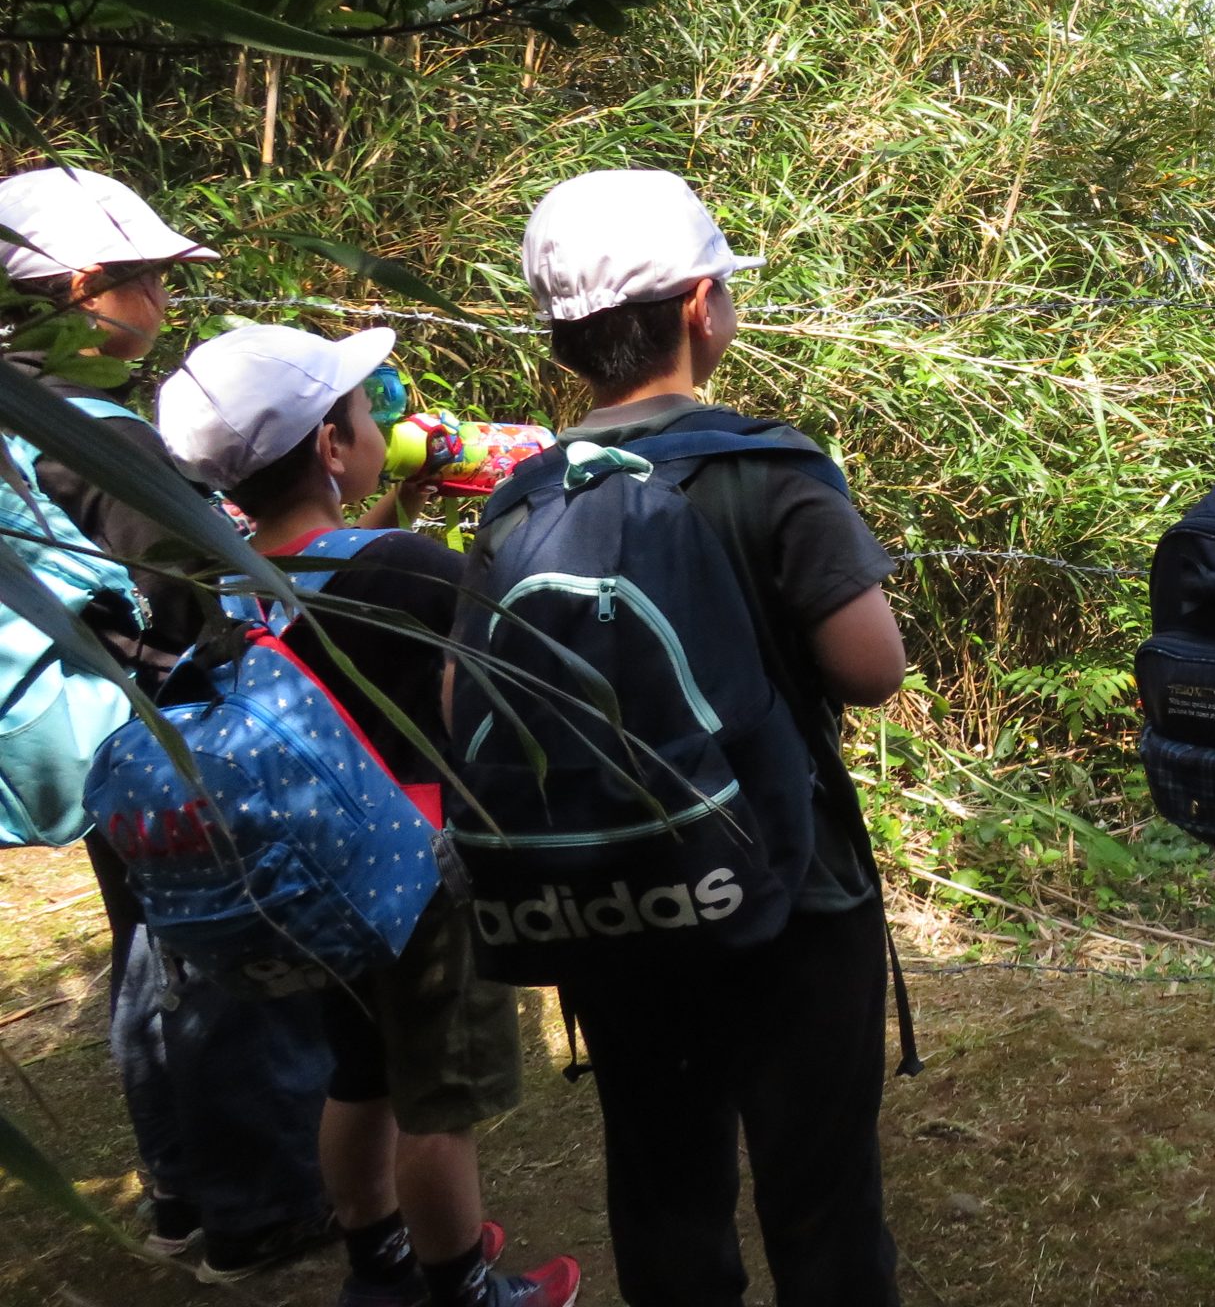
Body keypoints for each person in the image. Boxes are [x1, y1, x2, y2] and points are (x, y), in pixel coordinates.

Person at [503, 168, 908, 1307]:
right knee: (820, 1184)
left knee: (664, 1177)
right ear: (699, 307)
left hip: (617, 899)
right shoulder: (772, 471)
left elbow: (462, 708)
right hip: (794, 887)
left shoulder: (521, 501)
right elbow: (872, 669)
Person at [158, 323, 580, 1307]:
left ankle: (378, 1254)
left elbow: (325, 594)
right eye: (362, 412)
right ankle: (461, 1282)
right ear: (328, 446)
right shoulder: (401, 571)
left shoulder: (234, 580)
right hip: (418, 876)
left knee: (359, 1075)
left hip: (317, 877)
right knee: (439, 1097)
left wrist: (399, 513)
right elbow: (468, 710)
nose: (375, 422)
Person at [0, 163, 340, 1283]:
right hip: (160, 739)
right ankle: (260, 1212)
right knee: (220, 972)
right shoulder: (90, 433)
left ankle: (182, 1192)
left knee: (151, 961)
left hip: (82, 733)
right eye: (148, 282)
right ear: (88, 287)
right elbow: (196, 592)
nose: (160, 306)